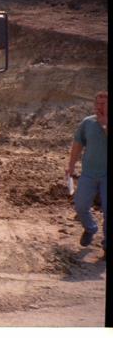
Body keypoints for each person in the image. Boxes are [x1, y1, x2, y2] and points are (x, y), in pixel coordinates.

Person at [66, 90, 107, 256]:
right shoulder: (87, 122)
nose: (99, 107)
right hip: (89, 173)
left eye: (103, 104)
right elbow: (78, 144)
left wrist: (104, 125)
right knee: (80, 205)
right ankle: (90, 228)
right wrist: (71, 165)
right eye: (97, 103)